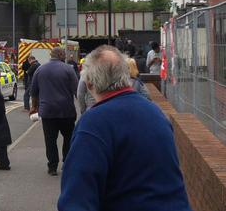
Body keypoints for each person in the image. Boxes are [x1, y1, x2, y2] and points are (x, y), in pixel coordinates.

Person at [58, 45, 192, 211]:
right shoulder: (155, 113)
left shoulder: (93, 124)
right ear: (126, 75)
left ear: (89, 83)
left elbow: (76, 198)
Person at [30, 47, 78, 176]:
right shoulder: (69, 69)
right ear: (62, 55)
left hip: (48, 112)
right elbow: (76, 90)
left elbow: (33, 92)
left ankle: (52, 166)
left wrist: (34, 107)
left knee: (50, 140)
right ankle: (67, 163)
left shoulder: (40, 70)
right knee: (68, 138)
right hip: (66, 111)